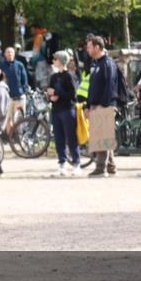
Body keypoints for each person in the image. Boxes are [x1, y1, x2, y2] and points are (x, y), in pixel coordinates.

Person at [85, 35, 119, 177]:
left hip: (105, 105)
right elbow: (91, 87)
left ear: (97, 47)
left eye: (89, 46)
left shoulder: (107, 63)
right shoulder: (96, 64)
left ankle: (101, 168)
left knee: (102, 137)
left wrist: (103, 105)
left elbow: (110, 86)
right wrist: (88, 105)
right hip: (96, 105)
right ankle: (111, 166)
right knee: (102, 135)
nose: (87, 49)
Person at [47, 51, 80, 177]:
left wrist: (57, 93)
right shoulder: (53, 77)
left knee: (71, 138)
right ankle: (62, 164)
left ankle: (76, 164)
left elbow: (73, 95)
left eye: (55, 59)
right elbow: (50, 92)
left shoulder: (69, 76)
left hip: (68, 109)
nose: (53, 61)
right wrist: (50, 96)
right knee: (59, 138)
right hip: (56, 110)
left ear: (61, 60)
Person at [2, 46, 30, 134]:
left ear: (14, 54)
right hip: (8, 97)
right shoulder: (1, 66)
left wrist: (24, 91)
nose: (10, 54)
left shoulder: (19, 65)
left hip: (20, 96)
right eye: (8, 52)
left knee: (20, 119)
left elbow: (24, 80)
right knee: (8, 118)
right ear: (4, 54)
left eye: (11, 52)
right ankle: (10, 138)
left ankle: (21, 138)